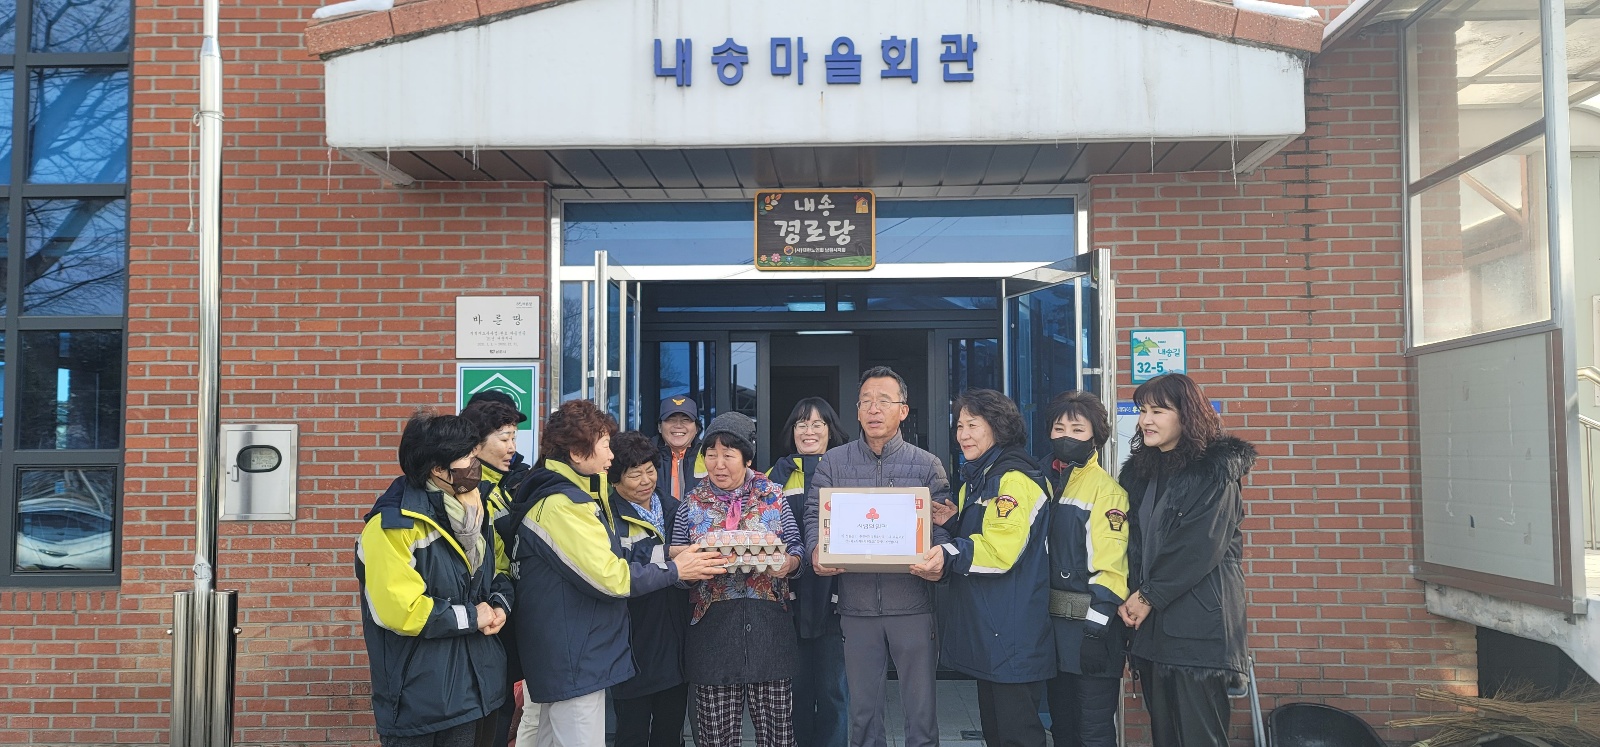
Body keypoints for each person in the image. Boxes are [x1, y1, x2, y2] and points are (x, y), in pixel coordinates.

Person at [508, 400, 726, 747]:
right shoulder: (566, 505)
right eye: (606, 445)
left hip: (572, 652)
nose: (611, 456)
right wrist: (675, 569)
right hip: (574, 656)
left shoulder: (567, 495)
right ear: (578, 453)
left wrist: (668, 555)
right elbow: (612, 576)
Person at [805, 366, 954, 747]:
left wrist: (939, 556)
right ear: (857, 411)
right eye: (866, 402)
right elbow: (813, 515)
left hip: (912, 604)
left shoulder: (927, 464)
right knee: (863, 715)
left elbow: (941, 524)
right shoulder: (833, 463)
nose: (874, 409)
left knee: (921, 714)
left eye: (884, 401)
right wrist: (816, 550)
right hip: (856, 607)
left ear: (903, 410)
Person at [356, 412, 511, 747]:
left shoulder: (476, 509)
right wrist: (472, 616)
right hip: (423, 701)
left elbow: (497, 571)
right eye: (468, 458)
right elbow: (400, 609)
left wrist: (499, 605)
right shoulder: (392, 526)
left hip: (479, 690)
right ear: (438, 470)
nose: (476, 465)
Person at [1116, 373, 1256, 747]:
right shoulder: (1140, 473)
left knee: (1199, 737)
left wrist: (1147, 596)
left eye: (1158, 411)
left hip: (1199, 627)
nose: (1146, 420)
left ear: (1186, 415)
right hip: (1152, 630)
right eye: (1142, 410)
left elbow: (1199, 545)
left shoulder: (1214, 471)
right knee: (1165, 736)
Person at [670, 412, 805, 747]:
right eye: (711, 455)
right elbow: (677, 568)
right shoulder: (691, 504)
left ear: (747, 458)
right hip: (713, 634)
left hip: (769, 630)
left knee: (777, 735)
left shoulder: (774, 496)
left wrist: (788, 564)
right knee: (716, 737)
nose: (718, 464)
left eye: (728, 455)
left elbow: (796, 548)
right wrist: (690, 570)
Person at [929, 389, 1053, 747]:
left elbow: (1001, 551)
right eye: (959, 426)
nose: (962, 435)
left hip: (1012, 635)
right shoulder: (981, 476)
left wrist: (947, 553)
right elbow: (990, 532)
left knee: (1018, 735)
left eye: (973, 425)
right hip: (994, 633)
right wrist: (955, 522)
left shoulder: (1013, 479)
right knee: (997, 734)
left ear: (998, 427)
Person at [1040, 391, 1130, 747]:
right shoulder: (1042, 480)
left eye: (1077, 429)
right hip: (1053, 632)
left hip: (1092, 633)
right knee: (1062, 726)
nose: (1066, 436)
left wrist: (1096, 632)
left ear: (1096, 435)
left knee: (1092, 729)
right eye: (1059, 428)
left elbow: (1112, 569)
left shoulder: (1106, 491)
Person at [766, 398, 850, 747]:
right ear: (792, 431)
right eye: (801, 424)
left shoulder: (845, 470)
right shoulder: (774, 476)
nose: (809, 431)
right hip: (788, 597)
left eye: (818, 424)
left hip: (836, 594)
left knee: (833, 690)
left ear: (831, 431)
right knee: (795, 690)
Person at [608, 431, 693, 747]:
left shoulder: (675, 508)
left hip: (674, 640)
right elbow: (614, 565)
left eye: (650, 470)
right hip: (632, 644)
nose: (646, 481)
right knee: (631, 733)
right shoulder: (606, 516)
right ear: (615, 479)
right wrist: (668, 554)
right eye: (635, 474)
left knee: (670, 733)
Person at [458, 399, 531, 745]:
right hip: (487, 620)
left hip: (504, 611)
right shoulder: (472, 493)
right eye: (504, 438)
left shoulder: (501, 486)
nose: (512, 447)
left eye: (514, 438)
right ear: (476, 444)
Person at [654, 395, 705, 502]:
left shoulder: (708, 455)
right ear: (659, 427)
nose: (678, 425)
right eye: (671, 420)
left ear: (697, 428)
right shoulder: (645, 455)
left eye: (685, 420)